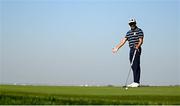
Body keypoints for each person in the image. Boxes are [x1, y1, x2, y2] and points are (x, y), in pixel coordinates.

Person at [112, 18, 144, 87]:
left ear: (135, 23)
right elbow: (123, 41)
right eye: (130, 24)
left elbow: (141, 40)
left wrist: (138, 46)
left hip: (137, 49)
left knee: (136, 64)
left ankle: (136, 82)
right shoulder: (128, 32)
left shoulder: (139, 30)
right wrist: (117, 47)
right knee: (132, 65)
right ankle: (135, 81)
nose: (132, 25)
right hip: (131, 49)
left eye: (133, 23)